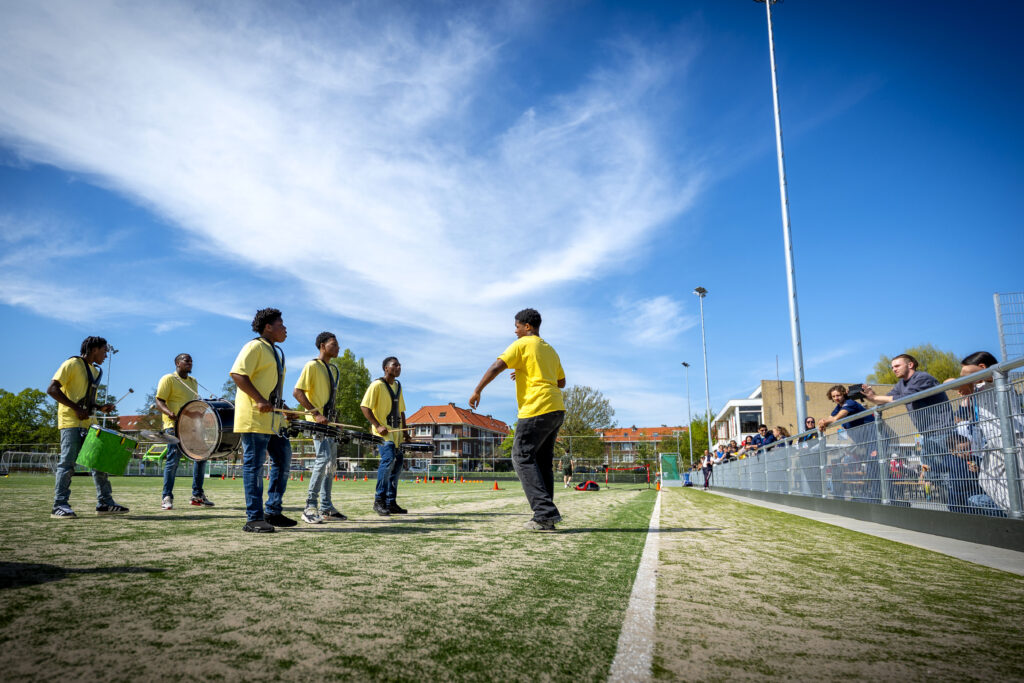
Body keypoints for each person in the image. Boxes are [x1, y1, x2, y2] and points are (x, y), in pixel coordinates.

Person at [470, 308, 566, 531]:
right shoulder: (549, 349)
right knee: (542, 463)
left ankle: (544, 513)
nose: (515, 331)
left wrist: (477, 390)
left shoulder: (523, 344)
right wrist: (525, 373)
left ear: (527, 327)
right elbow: (561, 382)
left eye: (517, 326)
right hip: (556, 408)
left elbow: (497, 366)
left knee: (521, 456)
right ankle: (546, 518)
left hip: (536, 407)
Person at [230, 308, 295, 533]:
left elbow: (272, 388)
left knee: (283, 459)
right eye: (281, 324)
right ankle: (254, 518)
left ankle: (273, 511)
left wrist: (284, 408)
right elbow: (238, 374)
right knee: (254, 465)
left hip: (274, 420)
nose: (285, 328)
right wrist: (258, 399)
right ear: (268, 326)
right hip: (254, 417)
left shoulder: (276, 352)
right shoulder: (254, 346)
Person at [47, 336, 125, 518]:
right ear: (94, 349)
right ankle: (59, 505)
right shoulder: (72, 364)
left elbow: (87, 401)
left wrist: (99, 408)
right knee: (67, 464)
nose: (106, 355)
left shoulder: (94, 370)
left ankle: (105, 503)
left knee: (99, 463)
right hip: (71, 422)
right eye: (104, 351)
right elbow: (52, 389)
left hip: (90, 422)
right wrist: (75, 409)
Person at [293, 332, 347, 524]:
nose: (338, 347)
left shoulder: (330, 369)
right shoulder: (312, 366)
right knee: (323, 460)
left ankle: (326, 507)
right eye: (334, 344)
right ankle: (309, 506)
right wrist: (316, 414)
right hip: (318, 424)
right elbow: (297, 392)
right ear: (322, 346)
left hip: (329, 424)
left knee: (331, 465)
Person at [157, 353, 213, 510]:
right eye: (186, 360)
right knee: (173, 461)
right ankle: (166, 497)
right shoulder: (168, 379)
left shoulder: (193, 382)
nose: (190, 363)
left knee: (201, 458)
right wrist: (169, 413)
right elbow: (159, 401)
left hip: (193, 427)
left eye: (191, 361)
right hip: (173, 426)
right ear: (177, 363)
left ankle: (197, 495)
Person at [361, 357, 408, 516]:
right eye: (395, 365)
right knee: (388, 460)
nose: (399, 367)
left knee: (398, 464)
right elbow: (364, 407)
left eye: (399, 365)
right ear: (386, 368)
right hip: (383, 433)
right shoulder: (377, 385)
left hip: (397, 433)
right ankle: (378, 500)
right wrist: (377, 425)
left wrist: (406, 432)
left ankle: (391, 501)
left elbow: (401, 411)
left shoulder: (398, 386)